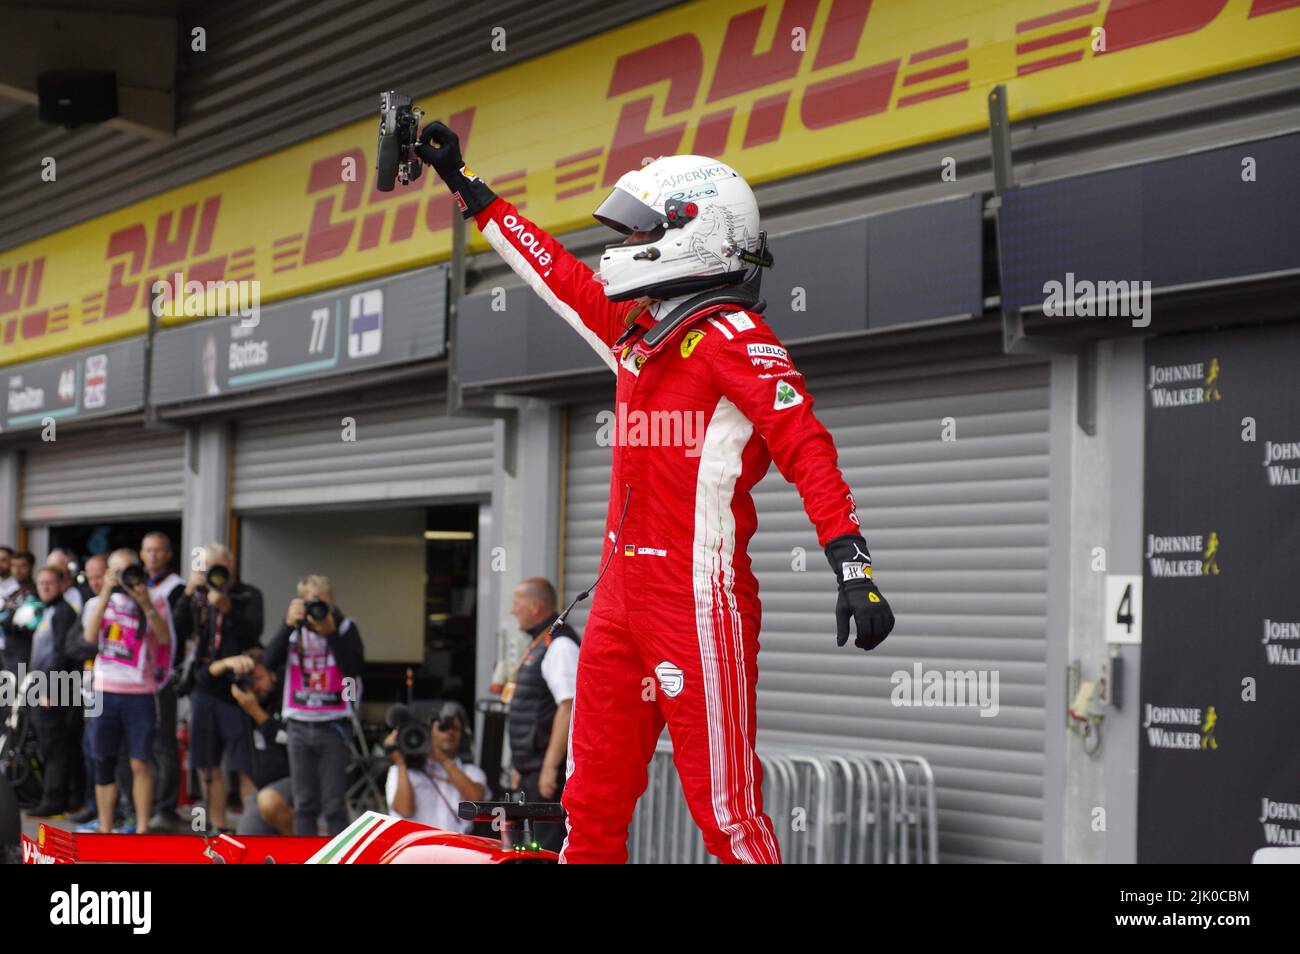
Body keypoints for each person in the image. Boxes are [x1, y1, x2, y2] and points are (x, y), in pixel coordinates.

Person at [416, 125, 895, 863]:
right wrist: (467, 185)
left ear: (697, 233)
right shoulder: (641, 333)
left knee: (727, 816)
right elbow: (556, 275)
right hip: (618, 602)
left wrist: (851, 563)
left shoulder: (736, 336)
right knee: (590, 809)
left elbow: (807, 447)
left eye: (644, 228)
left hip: (699, 601)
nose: (627, 242)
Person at [172, 542, 264, 834]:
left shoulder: (247, 594)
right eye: (207, 567)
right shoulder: (197, 596)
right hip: (203, 687)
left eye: (218, 568)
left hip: (237, 689)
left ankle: (252, 825)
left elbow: (254, 633)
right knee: (206, 761)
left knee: (243, 761)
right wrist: (189, 592)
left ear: (230, 567)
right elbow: (178, 630)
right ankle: (219, 825)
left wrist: (230, 608)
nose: (214, 574)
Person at [263, 574, 363, 836]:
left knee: (334, 805)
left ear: (332, 602)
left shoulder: (344, 628)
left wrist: (331, 634)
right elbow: (267, 662)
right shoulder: (294, 630)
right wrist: (287, 624)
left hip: (333, 725)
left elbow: (353, 670)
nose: (317, 607)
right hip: (298, 723)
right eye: (311, 602)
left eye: (323, 601)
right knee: (304, 803)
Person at [81, 548, 171, 833]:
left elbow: (166, 638)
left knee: (140, 762)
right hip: (105, 690)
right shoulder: (97, 602)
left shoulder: (154, 598)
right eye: (116, 571)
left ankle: (143, 829)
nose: (123, 577)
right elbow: (89, 637)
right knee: (103, 761)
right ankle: (106, 829)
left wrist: (145, 604)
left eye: (128, 570)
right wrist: (107, 592)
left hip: (140, 693)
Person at [504, 578, 577, 854]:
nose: (512, 611)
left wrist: (548, 768)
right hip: (532, 771)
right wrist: (520, 767)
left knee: (547, 849)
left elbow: (568, 707)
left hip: (549, 775)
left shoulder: (560, 645)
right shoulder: (541, 642)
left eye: (517, 604)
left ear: (536, 606)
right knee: (523, 849)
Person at [26, 565, 91, 817]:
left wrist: (49, 687)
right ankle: (63, 797)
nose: (44, 587)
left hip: (54, 689)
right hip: (41, 686)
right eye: (40, 583)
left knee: (54, 746)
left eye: (50, 583)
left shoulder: (63, 612)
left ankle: (55, 799)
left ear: (63, 584)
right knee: (52, 745)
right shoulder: (47, 610)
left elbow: (63, 654)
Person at [140, 532, 186, 830]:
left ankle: (166, 808)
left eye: (159, 550)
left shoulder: (177, 588)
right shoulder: (136, 585)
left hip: (164, 676)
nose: (153, 556)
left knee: (164, 743)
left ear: (169, 554)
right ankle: (140, 805)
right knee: (139, 744)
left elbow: (179, 631)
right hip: (134, 678)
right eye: (148, 550)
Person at [385, 702, 487, 834]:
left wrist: (442, 759)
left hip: (457, 848)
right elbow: (405, 810)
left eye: (455, 728)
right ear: (429, 732)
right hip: (417, 847)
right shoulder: (401, 771)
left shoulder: (471, 772)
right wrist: (400, 762)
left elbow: (476, 800)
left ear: (462, 736)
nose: (449, 732)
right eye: (443, 727)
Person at [228, 651, 294, 836]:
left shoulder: (288, 700)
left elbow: (286, 739)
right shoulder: (245, 706)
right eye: (251, 681)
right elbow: (206, 680)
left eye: (259, 678)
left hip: (299, 781)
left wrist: (256, 711)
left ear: (274, 675)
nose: (255, 687)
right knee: (247, 838)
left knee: (269, 801)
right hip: (261, 790)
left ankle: (305, 849)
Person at [0, 550, 36, 675]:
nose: (17, 570)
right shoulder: (13, 593)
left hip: (24, 653)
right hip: (7, 652)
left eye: (22, 566)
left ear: (31, 567)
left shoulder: (36, 592)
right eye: (14, 566)